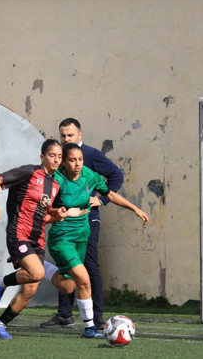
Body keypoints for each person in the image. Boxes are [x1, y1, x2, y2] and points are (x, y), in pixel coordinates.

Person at [44, 142, 149, 339]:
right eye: (72, 160)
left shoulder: (89, 176)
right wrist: (64, 214)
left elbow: (110, 194)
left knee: (68, 286)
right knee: (84, 280)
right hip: (62, 238)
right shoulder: (56, 180)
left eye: (80, 159)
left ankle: (40, 267)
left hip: (82, 236)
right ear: (64, 162)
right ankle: (90, 328)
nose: (77, 164)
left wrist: (135, 209)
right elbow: (41, 210)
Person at [0, 139, 75, 340]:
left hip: (37, 238)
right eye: (52, 155)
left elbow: (42, 214)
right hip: (19, 233)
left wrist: (58, 213)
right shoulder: (29, 172)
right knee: (37, 272)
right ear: (42, 156)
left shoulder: (55, 184)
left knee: (31, 288)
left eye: (59, 156)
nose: (56, 159)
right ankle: (1, 282)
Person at [40, 118, 124, 329]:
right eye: (63, 135)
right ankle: (65, 315)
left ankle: (96, 319)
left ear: (80, 135)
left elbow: (116, 175)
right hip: (65, 221)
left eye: (70, 135)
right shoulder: (60, 158)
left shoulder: (91, 155)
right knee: (67, 266)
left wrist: (101, 199)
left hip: (88, 218)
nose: (67, 138)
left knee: (89, 267)